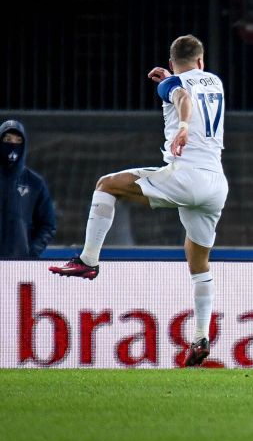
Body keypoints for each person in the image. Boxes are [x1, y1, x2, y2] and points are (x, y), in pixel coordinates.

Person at [48, 35, 229, 367]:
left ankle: (88, 260)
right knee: (196, 257)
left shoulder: (171, 84)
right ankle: (201, 337)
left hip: (186, 176)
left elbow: (184, 97)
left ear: (173, 62)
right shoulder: (215, 81)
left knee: (107, 185)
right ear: (201, 62)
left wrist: (183, 124)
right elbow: (193, 90)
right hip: (216, 183)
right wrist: (174, 85)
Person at [0, 120, 56, 259]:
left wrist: (31, 253)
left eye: (18, 140)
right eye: (7, 139)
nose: (12, 144)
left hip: (19, 265)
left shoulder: (35, 183)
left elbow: (48, 225)